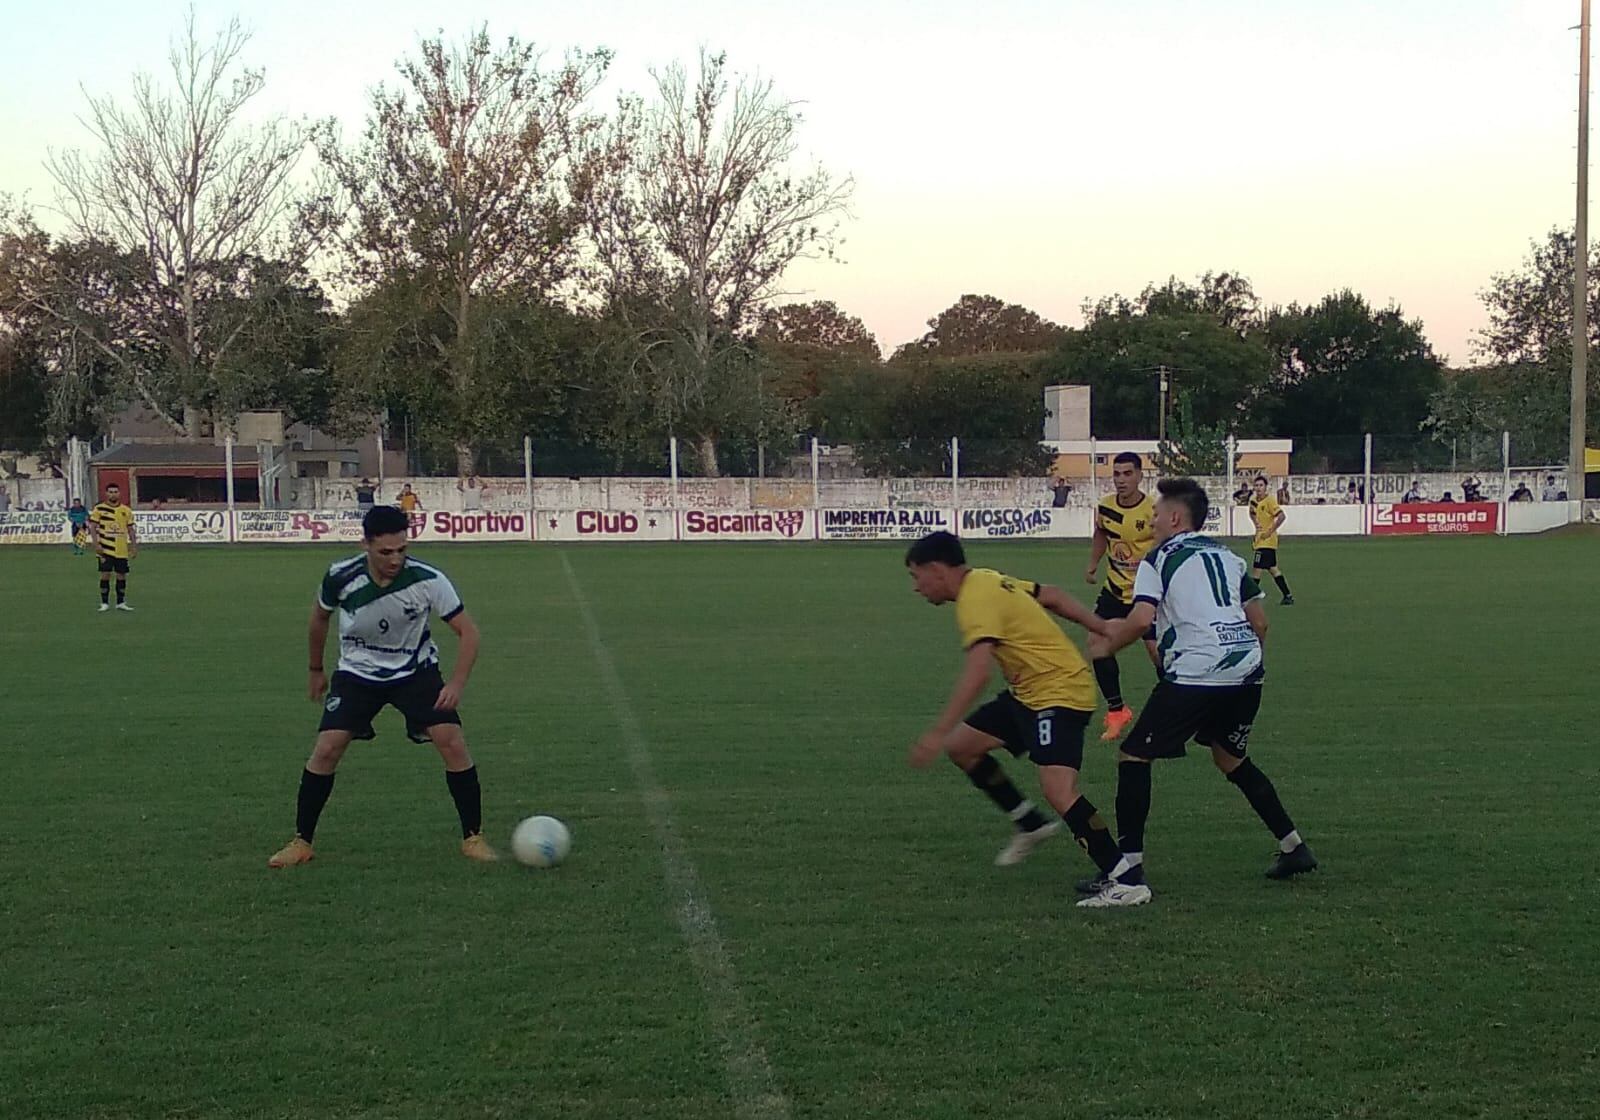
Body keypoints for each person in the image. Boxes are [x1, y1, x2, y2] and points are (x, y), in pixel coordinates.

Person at [1078, 478, 1316, 909]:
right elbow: (1260, 622)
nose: (1150, 518)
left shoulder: (1157, 559)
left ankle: (1128, 875)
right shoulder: (1228, 556)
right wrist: (1245, 665)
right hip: (1246, 669)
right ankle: (1293, 846)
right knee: (1230, 757)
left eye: (1156, 512)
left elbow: (1139, 620)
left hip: (1197, 671)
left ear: (1174, 517)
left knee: (1134, 755)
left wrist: (1105, 646)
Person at [904, 532, 1144, 899]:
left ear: (936, 570)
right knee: (963, 748)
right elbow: (1052, 595)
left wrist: (936, 731)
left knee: (1058, 789)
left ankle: (1125, 880)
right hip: (1027, 694)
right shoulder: (985, 578)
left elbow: (978, 672)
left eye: (916, 576)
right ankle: (1029, 823)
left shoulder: (975, 600)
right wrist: (1099, 627)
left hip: (1059, 691)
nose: (916, 588)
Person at [268, 505, 493, 868]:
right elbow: (318, 619)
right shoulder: (341, 577)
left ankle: (473, 837)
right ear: (366, 545)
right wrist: (315, 669)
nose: (395, 558)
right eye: (386, 551)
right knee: (326, 749)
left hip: (415, 672)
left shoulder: (427, 579)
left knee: (451, 741)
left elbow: (469, 632)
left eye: (402, 549)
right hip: (357, 674)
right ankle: (302, 842)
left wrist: (456, 682)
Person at [1084, 452, 1160, 741]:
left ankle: (1176, 715)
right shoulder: (1105, 507)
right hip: (1114, 589)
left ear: (1140, 476)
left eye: (1128, 473)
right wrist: (1093, 564)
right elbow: (1101, 533)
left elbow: (1167, 545)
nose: (1121, 480)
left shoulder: (1153, 510)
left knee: (1157, 654)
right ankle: (1117, 712)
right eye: (1116, 474)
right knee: (1096, 642)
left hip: (1147, 594)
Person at [89, 483, 137, 612]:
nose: (113, 494)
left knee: (121, 575)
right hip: (105, 549)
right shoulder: (99, 509)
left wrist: (133, 546)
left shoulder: (126, 510)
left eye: (115, 491)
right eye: (110, 492)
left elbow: (131, 529)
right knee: (105, 575)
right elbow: (92, 527)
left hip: (121, 549)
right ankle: (104, 603)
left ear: (119, 493)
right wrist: (96, 544)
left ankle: (120, 602)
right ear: (106, 493)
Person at [1249, 476, 1294, 605]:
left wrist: (1270, 531)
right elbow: (1252, 512)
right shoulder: (1253, 500)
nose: (1258, 488)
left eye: (1261, 485)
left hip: (1267, 541)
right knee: (1272, 568)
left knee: (1257, 568)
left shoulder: (1270, 501)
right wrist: (1256, 524)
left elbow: (1281, 516)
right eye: (1256, 485)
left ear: (1266, 487)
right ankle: (1287, 595)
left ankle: (1250, 599)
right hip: (1260, 540)